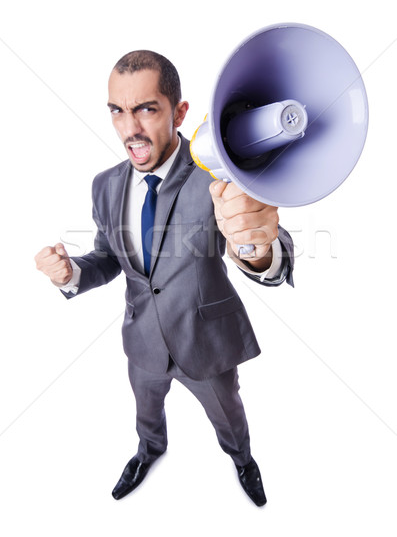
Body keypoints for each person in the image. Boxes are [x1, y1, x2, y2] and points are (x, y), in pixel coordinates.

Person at [35, 50, 294, 507]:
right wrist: (72, 272)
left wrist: (257, 248)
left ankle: (243, 460)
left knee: (229, 416)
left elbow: (262, 236)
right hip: (143, 341)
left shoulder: (215, 173)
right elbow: (109, 257)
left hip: (206, 341)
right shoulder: (105, 185)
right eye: (117, 110)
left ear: (179, 112)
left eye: (146, 109)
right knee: (146, 414)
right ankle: (148, 452)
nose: (129, 128)